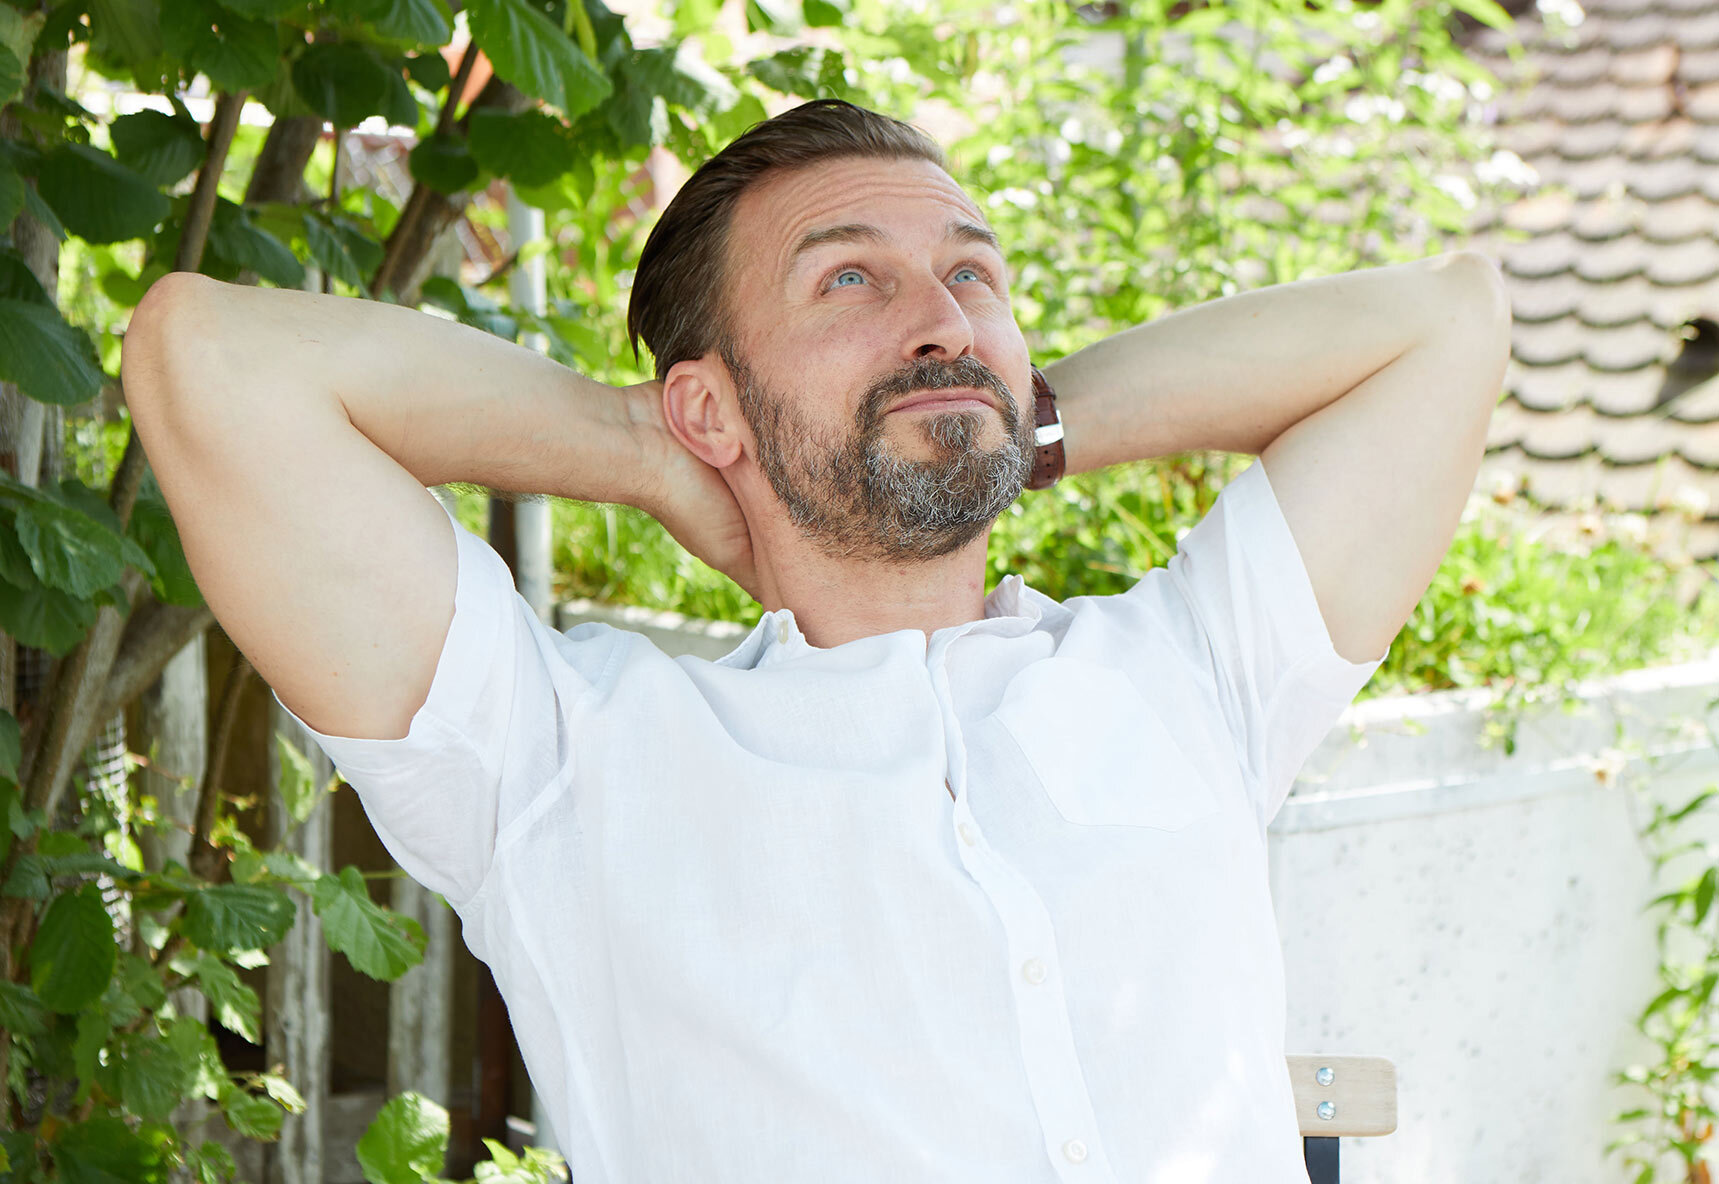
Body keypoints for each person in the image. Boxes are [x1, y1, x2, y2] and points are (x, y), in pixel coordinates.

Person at [121, 99, 1509, 1183]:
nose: (943, 320)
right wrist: (652, 454)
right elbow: (210, 357)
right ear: (709, 406)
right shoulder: (564, 768)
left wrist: (1023, 427)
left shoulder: (1188, 674)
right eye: (850, 281)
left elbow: (1447, 324)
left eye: (972, 277)